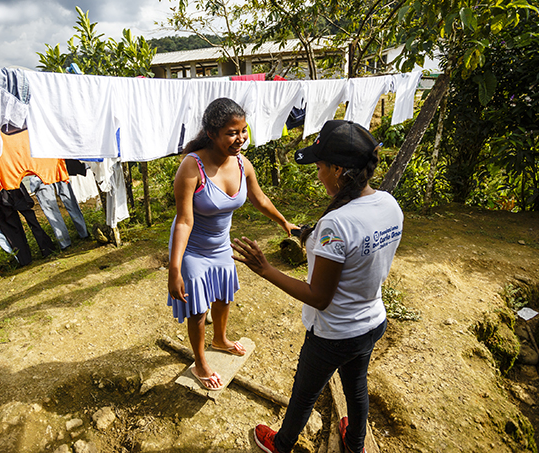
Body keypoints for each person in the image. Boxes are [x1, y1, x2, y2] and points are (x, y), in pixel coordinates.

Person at [232, 120, 404, 453]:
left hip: (334, 333)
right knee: (356, 386)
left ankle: (280, 444)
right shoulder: (387, 204)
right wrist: (310, 236)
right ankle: (355, 443)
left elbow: (319, 298)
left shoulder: (336, 224)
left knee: (306, 392)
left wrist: (265, 269)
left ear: (339, 169)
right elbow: (358, 248)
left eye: (321, 166)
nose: (319, 173)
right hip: (371, 321)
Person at [168, 98, 296, 390]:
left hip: (221, 246)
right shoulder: (191, 168)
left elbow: (259, 198)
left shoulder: (242, 163)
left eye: (243, 131)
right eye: (232, 132)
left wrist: (284, 222)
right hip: (193, 250)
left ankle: (220, 339)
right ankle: (200, 362)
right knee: (198, 310)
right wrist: (174, 269)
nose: (240, 139)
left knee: (224, 296)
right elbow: (184, 221)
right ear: (212, 133)